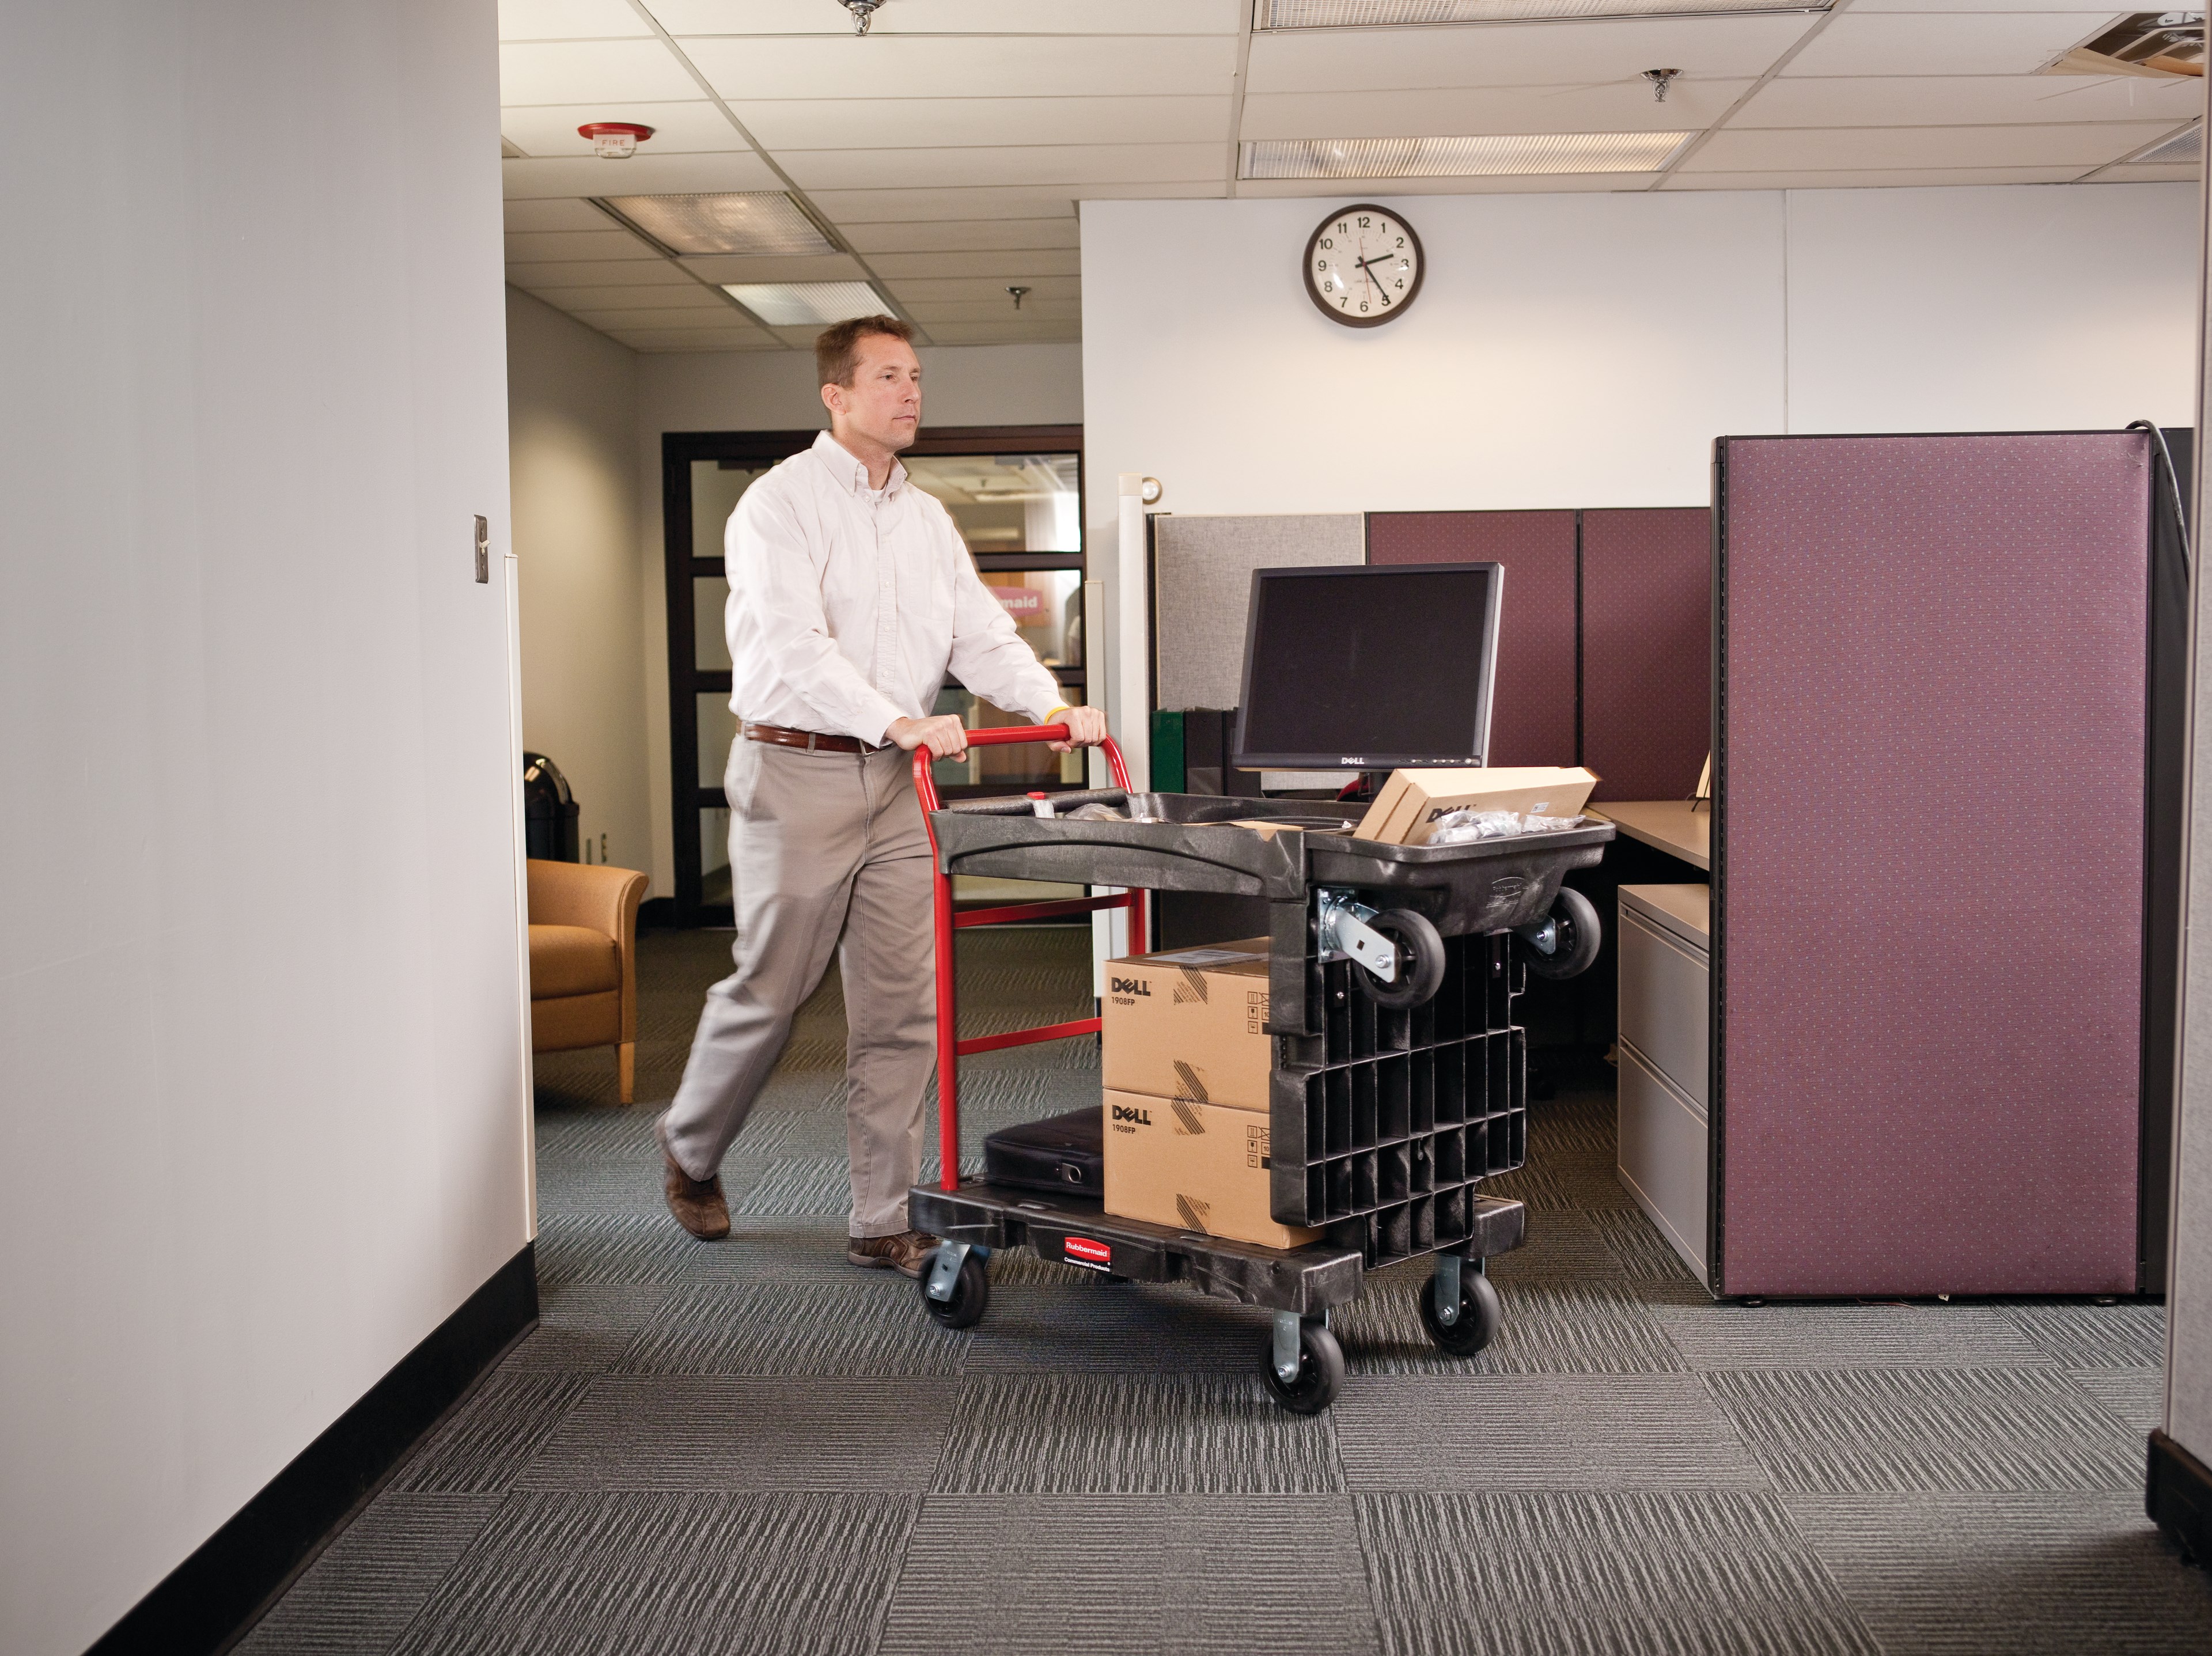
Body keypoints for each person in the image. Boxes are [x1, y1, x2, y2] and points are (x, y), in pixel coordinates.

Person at [654, 314, 1108, 1276]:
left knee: (903, 1006)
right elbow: (789, 645)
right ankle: (691, 1147)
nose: (911, 394)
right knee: (771, 992)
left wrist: (1052, 705)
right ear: (837, 394)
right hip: (796, 771)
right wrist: (896, 718)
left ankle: (883, 1217)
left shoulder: (926, 517)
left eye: (916, 378)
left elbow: (977, 634)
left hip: (899, 790)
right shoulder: (776, 507)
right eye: (891, 378)